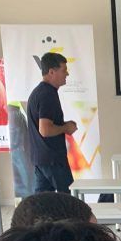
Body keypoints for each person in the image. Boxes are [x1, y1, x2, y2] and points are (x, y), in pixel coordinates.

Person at [26, 52, 77, 193]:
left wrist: (64, 125)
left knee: (43, 205)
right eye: (64, 70)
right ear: (51, 72)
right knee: (68, 202)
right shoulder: (47, 94)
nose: (67, 74)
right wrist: (66, 127)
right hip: (53, 159)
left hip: (41, 158)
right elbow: (45, 130)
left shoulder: (39, 92)